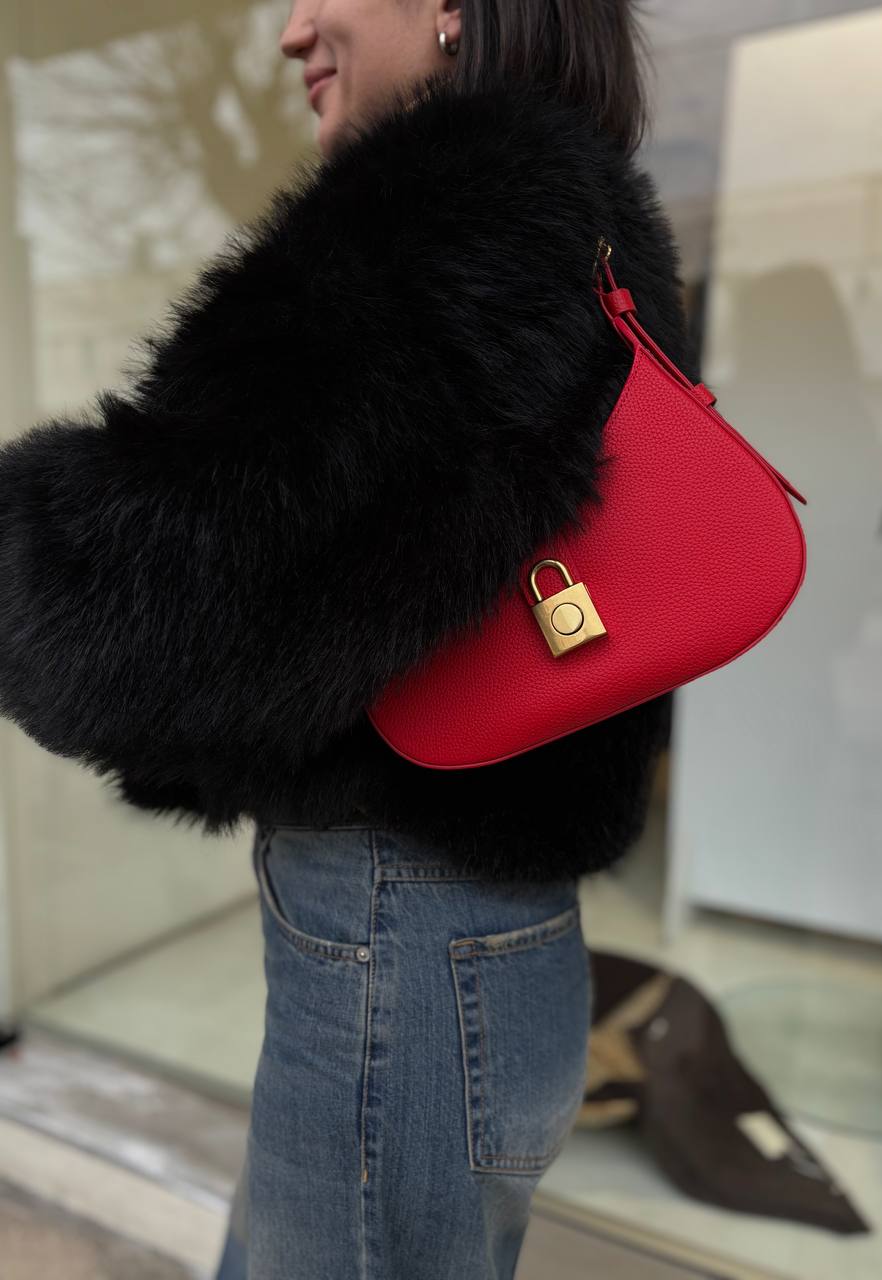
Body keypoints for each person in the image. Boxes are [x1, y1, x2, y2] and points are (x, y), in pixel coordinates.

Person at [0, 1, 692, 1276]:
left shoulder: (453, 214)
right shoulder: (566, 211)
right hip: (467, 943)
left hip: (403, 948)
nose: (292, 27)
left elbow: (169, 599)